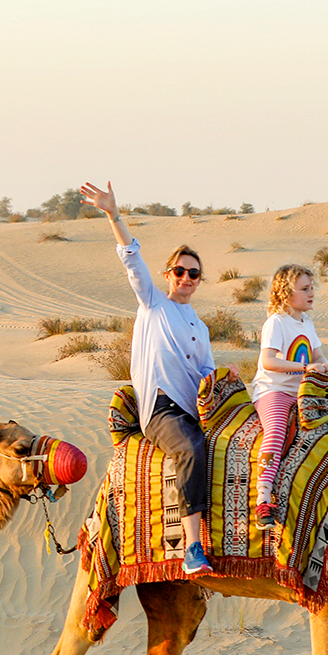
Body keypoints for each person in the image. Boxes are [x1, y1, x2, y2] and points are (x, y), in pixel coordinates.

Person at [80, 181, 217, 575]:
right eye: (180, 271)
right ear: (168, 274)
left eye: (194, 273)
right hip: (161, 410)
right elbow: (131, 259)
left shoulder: (201, 327)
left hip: (194, 408)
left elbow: (206, 372)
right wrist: (113, 214)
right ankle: (193, 547)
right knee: (190, 451)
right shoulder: (154, 303)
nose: (186, 277)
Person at [249, 265, 328, 530]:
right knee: (275, 432)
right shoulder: (276, 322)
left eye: (312, 288)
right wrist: (306, 368)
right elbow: (269, 361)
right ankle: (263, 498)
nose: (311, 294)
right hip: (273, 390)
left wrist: (326, 366)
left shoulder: (306, 322)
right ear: (286, 294)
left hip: (303, 391)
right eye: (305, 289)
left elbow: (317, 355)